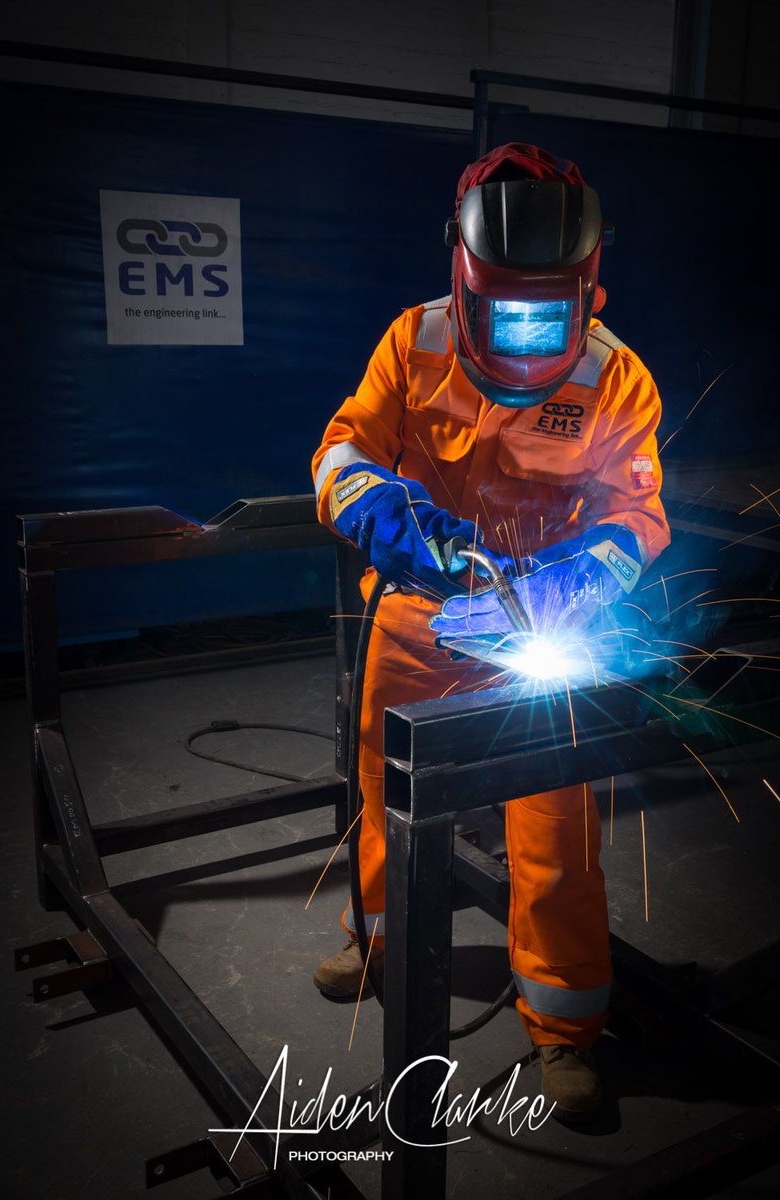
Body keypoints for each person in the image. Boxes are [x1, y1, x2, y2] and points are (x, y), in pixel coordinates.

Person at [310, 142, 670, 1123]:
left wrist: (576, 579)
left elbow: (637, 515)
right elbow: (340, 454)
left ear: (584, 288)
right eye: (501, 311)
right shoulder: (414, 341)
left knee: (554, 824)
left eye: (542, 315)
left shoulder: (613, 378)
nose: (520, 341)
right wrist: (394, 518)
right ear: (465, 279)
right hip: (419, 616)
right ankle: (376, 940)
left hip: (537, 633)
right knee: (384, 791)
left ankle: (563, 1026)